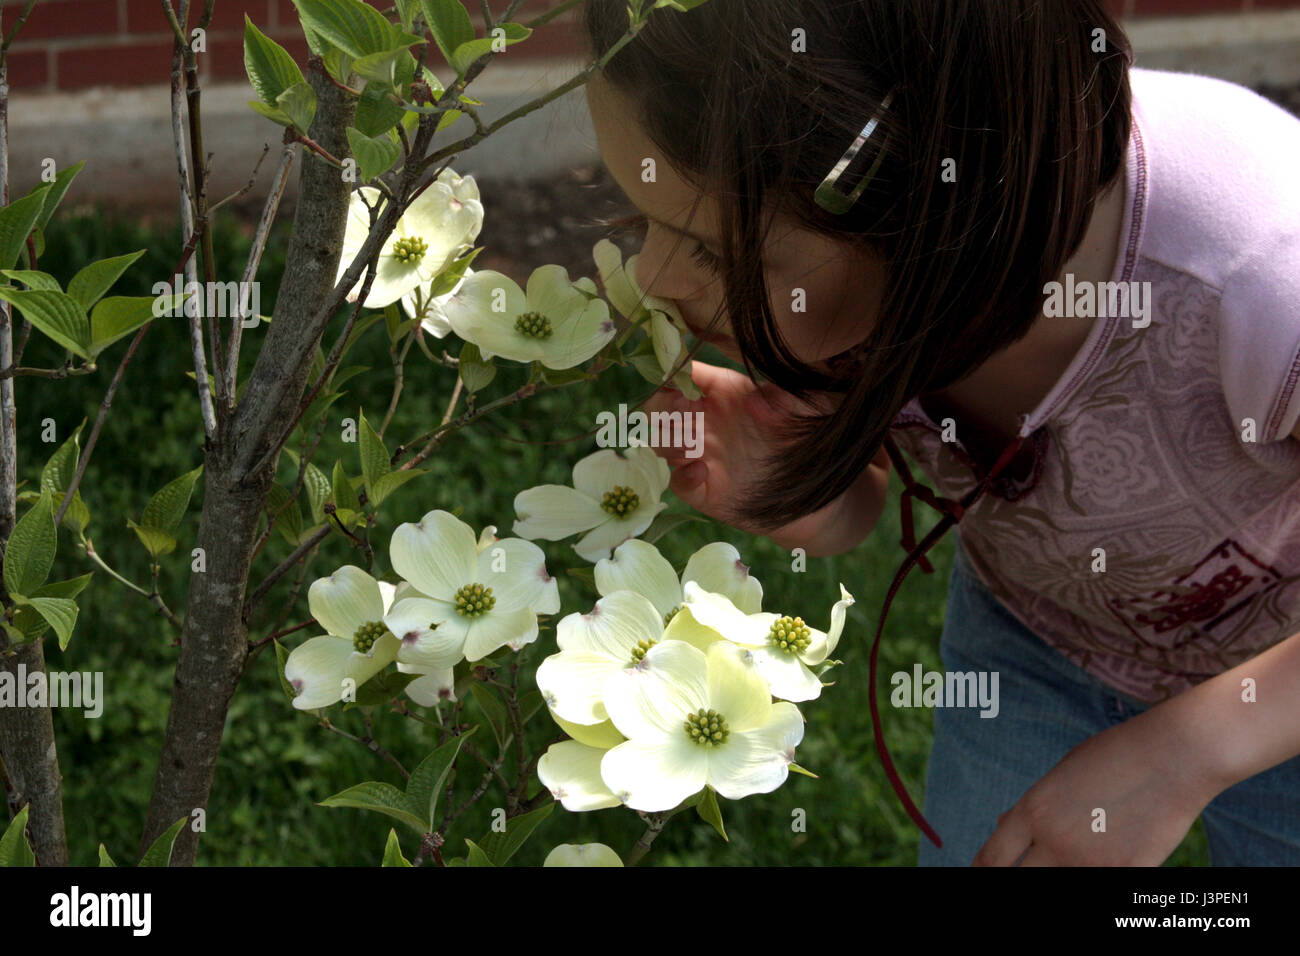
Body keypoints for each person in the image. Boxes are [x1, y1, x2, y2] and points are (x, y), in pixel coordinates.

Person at [581, 0, 1300, 865]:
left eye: (711, 252)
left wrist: (1187, 752)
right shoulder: (872, 259)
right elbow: (884, 473)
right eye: (641, 221)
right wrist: (807, 485)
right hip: (1036, 637)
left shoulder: (1259, 273)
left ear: (923, 211)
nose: (650, 278)